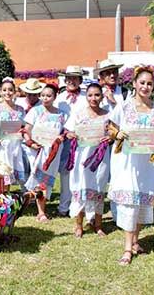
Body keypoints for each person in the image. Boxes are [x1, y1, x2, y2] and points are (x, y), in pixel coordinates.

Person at [107, 66, 154, 265]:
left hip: (149, 164)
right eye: (142, 82)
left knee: (143, 201)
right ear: (134, 84)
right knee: (129, 202)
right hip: (127, 162)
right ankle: (126, 248)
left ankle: (135, 241)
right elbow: (109, 126)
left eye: (149, 83)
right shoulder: (124, 107)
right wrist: (117, 134)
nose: (145, 86)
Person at [65, 83, 111, 237]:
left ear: (102, 97)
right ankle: (79, 225)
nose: (94, 98)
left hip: (101, 157)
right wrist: (70, 135)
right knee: (81, 187)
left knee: (99, 186)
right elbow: (68, 131)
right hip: (82, 157)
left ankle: (98, 224)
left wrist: (110, 137)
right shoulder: (78, 114)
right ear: (86, 96)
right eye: (90, 95)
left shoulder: (107, 115)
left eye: (97, 95)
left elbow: (114, 133)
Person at [23, 83, 66, 222]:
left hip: (53, 152)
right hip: (37, 150)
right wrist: (31, 143)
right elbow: (26, 130)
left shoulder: (61, 114)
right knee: (38, 178)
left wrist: (61, 137)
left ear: (55, 97)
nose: (45, 98)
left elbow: (65, 131)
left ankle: (40, 205)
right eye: (43, 95)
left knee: (47, 179)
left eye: (48, 95)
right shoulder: (35, 111)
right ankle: (41, 212)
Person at [94, 59, 127, 223]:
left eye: (114, 71)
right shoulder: (94, 92)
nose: (112, 75)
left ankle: (117, 214)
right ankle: (94, 213)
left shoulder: (126, 93)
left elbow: (128, 117)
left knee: (118, 178)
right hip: (99, 143)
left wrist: (114, 102)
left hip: (118, 143)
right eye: (108, 73)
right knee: (98, 178)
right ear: (101, 76)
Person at [54, 65, 88, 217]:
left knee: (82, 172)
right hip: (65, 140)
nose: (72, 81)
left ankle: (80, 206)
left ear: (80, 80)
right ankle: (64, 205)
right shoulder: (59, 99)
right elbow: (55, 119)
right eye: (69, 78)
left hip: (83, 140)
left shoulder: (86, 97)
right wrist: (64, 133)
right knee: (65, 173)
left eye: (75, 78)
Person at [0, 77, 26, 190]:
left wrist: (21, 132)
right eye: (4, 90)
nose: (7, 92)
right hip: (1, 146)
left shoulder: (20, 110)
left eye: (10, 90)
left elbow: (24, 127)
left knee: (10, 174)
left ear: (14, 92)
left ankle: (6, 198)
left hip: (14, 146)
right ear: (0, 92)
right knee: (1, 173)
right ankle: (0, 198)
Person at [16, 78, 44, 175]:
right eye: (29, 94)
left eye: (34, 94)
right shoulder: (19, 103)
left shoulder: (42, 105)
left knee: (35, 166)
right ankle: (25, 188)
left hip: (35, 140)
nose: (31, 97)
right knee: (22, 166)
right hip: (20, 139)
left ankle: (36, 188)